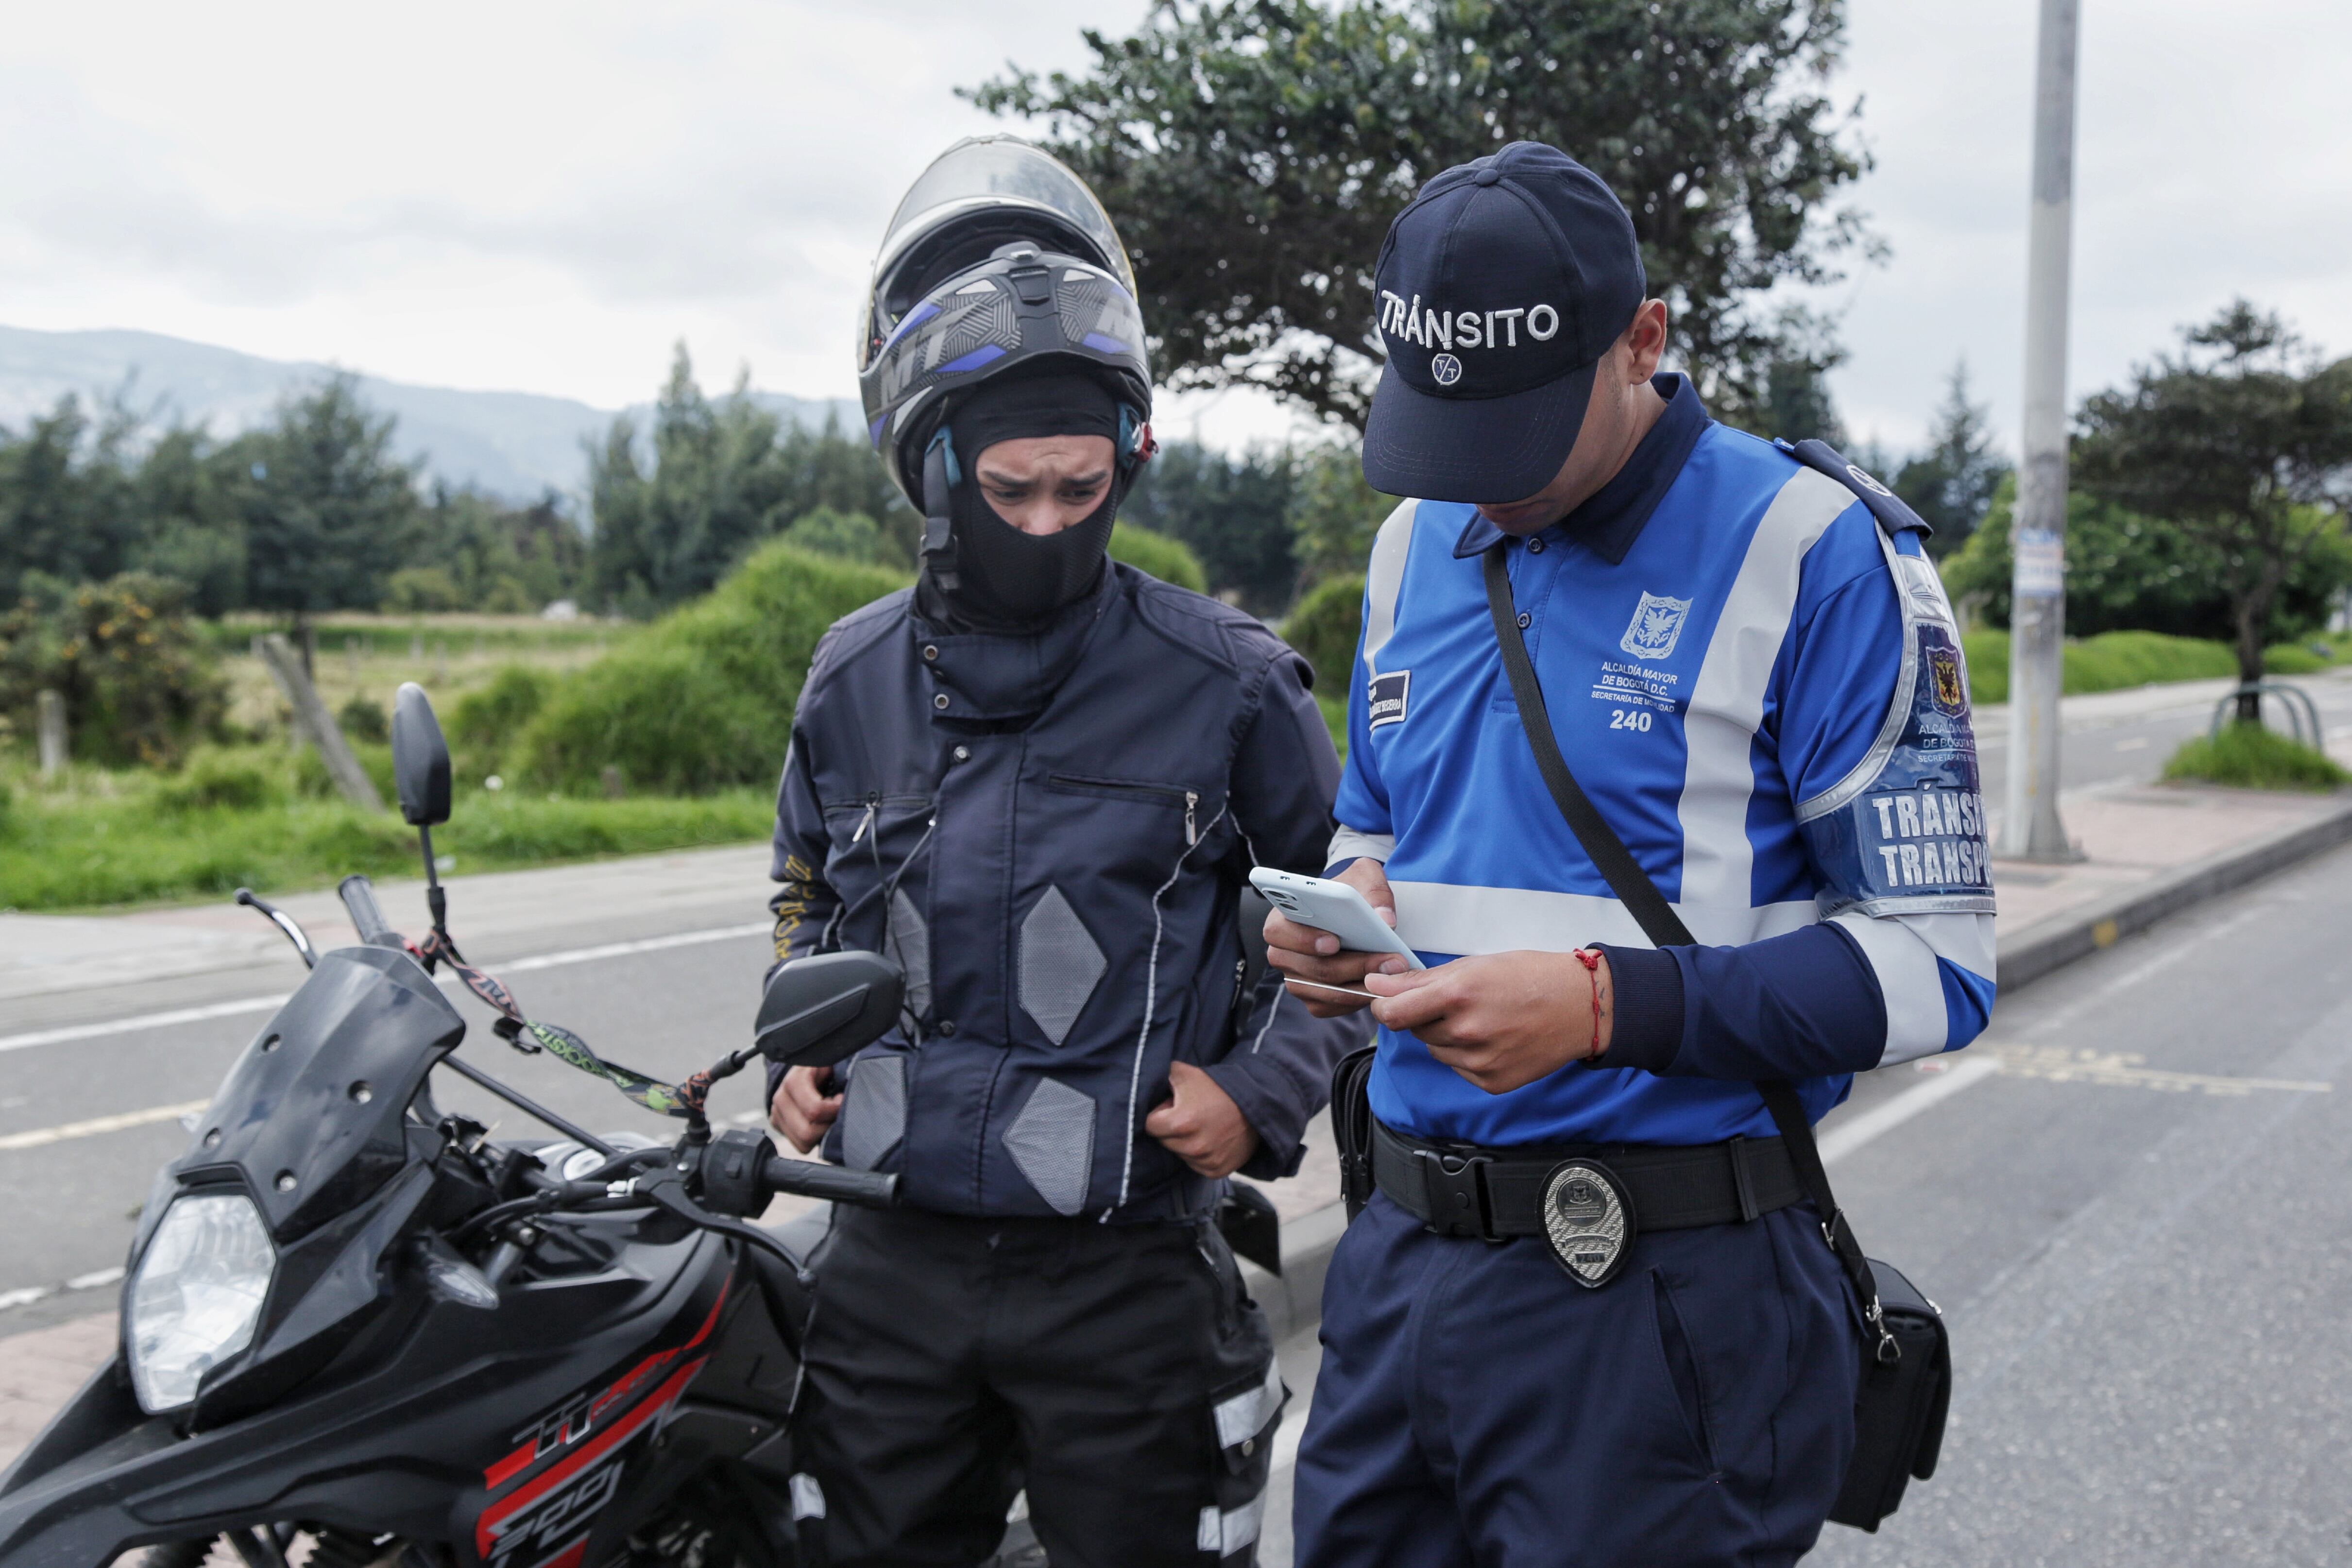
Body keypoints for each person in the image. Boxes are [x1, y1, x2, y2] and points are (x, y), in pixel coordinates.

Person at [1268, 141, 1997, 1566]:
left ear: (1643, 342)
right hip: (1400, 1273)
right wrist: (1337, 909)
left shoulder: (1816, 550)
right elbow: (1378, 820)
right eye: (1444, 435)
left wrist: (1607, 1007)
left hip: (1656, 1301)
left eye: (1515, 439)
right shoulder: (1413, 547)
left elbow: (1937, 968)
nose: (1477, 490)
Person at [764, 136, 1363, 1568]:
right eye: (1009, 489)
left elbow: (1349, 932)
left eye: (1079, 489)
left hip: (1125, 1273)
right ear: (931, 466)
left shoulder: (1227, 681)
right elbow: (804, 892)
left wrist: (1257, 1092)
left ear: (1126, 464)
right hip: (886, 1262)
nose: (1044, 522)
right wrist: (793, 1041)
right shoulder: (849, 680)